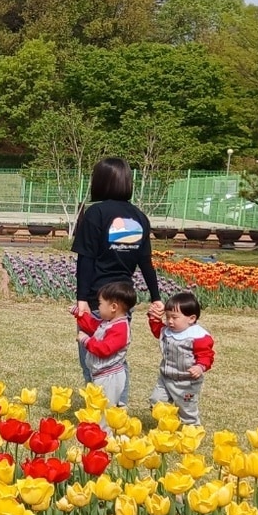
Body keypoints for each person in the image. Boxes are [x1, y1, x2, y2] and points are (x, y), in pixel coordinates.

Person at [71, 157, 164, 401]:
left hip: (96, 299)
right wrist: (156, 297)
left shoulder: (96, 213)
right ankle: (118, 406)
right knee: (116, 355)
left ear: (100, 182)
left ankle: (98, 403)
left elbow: (86, 259)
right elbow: (146, 262)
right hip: (123, 298)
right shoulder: (139, 217)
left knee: (92, 356)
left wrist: (82, 299)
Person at [148, 291, 215, 425]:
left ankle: (192, 431)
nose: (169, 321)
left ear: (191, 318)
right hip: (166, 378)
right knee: (157, 402)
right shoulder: (168, 330)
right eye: (167, 317)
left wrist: (200, 367)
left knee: (187, 410)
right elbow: (157, 330)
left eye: (174, 317)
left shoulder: (198, 336)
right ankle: (168, 424)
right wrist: (154, 317)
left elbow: (206, 355)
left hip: (186, 382)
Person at [75, 280, 136, 407]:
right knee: (97, 406)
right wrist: (79, 315)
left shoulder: (120, 329)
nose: (98, 307)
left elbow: (104, 349)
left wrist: (86, 340)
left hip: (110, 377)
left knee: (104, 408)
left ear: (113, 307)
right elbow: (93, 326)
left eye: (100, 304)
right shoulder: (109, 322)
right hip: (102, 374)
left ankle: (106, 426)